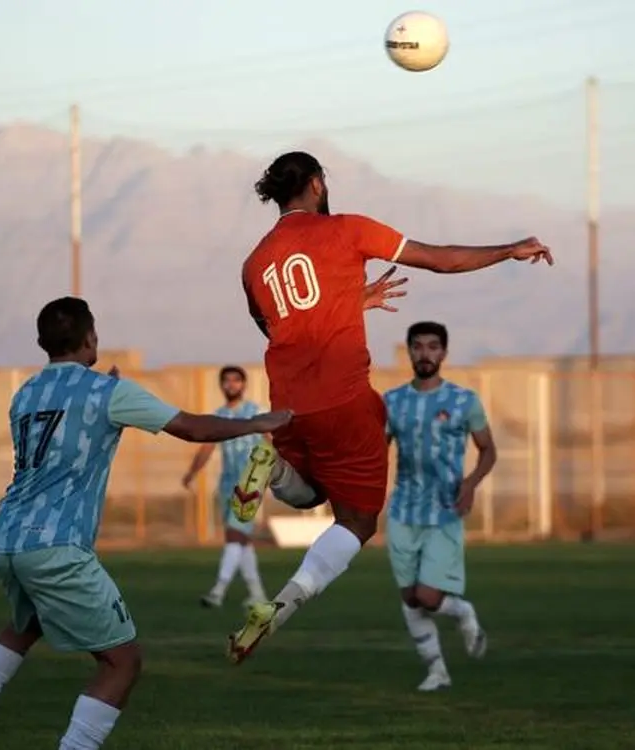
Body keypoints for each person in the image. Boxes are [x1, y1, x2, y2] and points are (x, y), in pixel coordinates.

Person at [226, 150, 553, 665]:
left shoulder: (254, 264)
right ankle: (283, 604)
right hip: (346, 402)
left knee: (312, 493)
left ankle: (273, 467)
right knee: (357, 523)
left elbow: (277, 328)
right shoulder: (348, 229)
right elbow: (441, 259)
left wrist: (346, 303)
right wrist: (509, 248)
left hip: (287, 404)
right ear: (315, 184)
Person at [0, 297, 291, 750]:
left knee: (25, 624)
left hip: (7, 537)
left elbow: (65, 423)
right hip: (58, 544)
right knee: (122, 662)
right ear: (91, 339)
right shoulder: (109, 393)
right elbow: (190, 427)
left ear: (43, 342)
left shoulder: (24, 393)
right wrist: (259, 422)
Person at [384, 321, 495, 691]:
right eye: (418, 347)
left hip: (444, 509)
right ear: (409, 351)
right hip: (402, 510)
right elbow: (374, 452)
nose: (425, 354)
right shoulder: (392, 402)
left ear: (444, 353)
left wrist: (470, 483)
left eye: (433, 347)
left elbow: (488, 450)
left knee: (428, 597)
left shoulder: (464, 401)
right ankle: (437, 672)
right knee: (409, 600)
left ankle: (463, 613)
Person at [181, 365, 268, 609]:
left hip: (250, 482)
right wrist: (191, 472)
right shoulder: (219, 416)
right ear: (221, 385)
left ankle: (218, 590)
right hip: (227, 482)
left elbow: (273, 442)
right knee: (242, 540)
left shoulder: (255, 413)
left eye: (236, 380)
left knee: (233, 535)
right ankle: (257, 593)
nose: (231, 385)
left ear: (244, 384)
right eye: (227, 380)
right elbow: (207, 447)